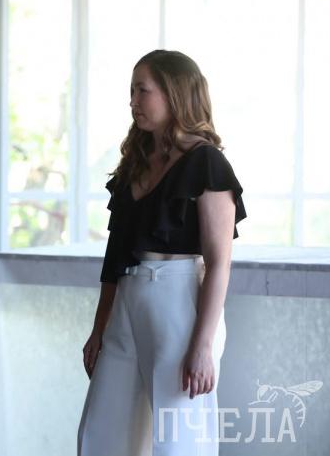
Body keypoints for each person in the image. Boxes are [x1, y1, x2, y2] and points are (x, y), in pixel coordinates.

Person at [77, 50, 246, 455]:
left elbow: (219, 263)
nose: (132, 101)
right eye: (131, 90)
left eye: (142, 90)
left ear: (174, 93)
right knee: (101, 434)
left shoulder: (207, 163)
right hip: (126, 302)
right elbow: (115, 257)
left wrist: (202, 346)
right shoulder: (134, 163)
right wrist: (99, 328)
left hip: (179, 304)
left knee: (178, 440)